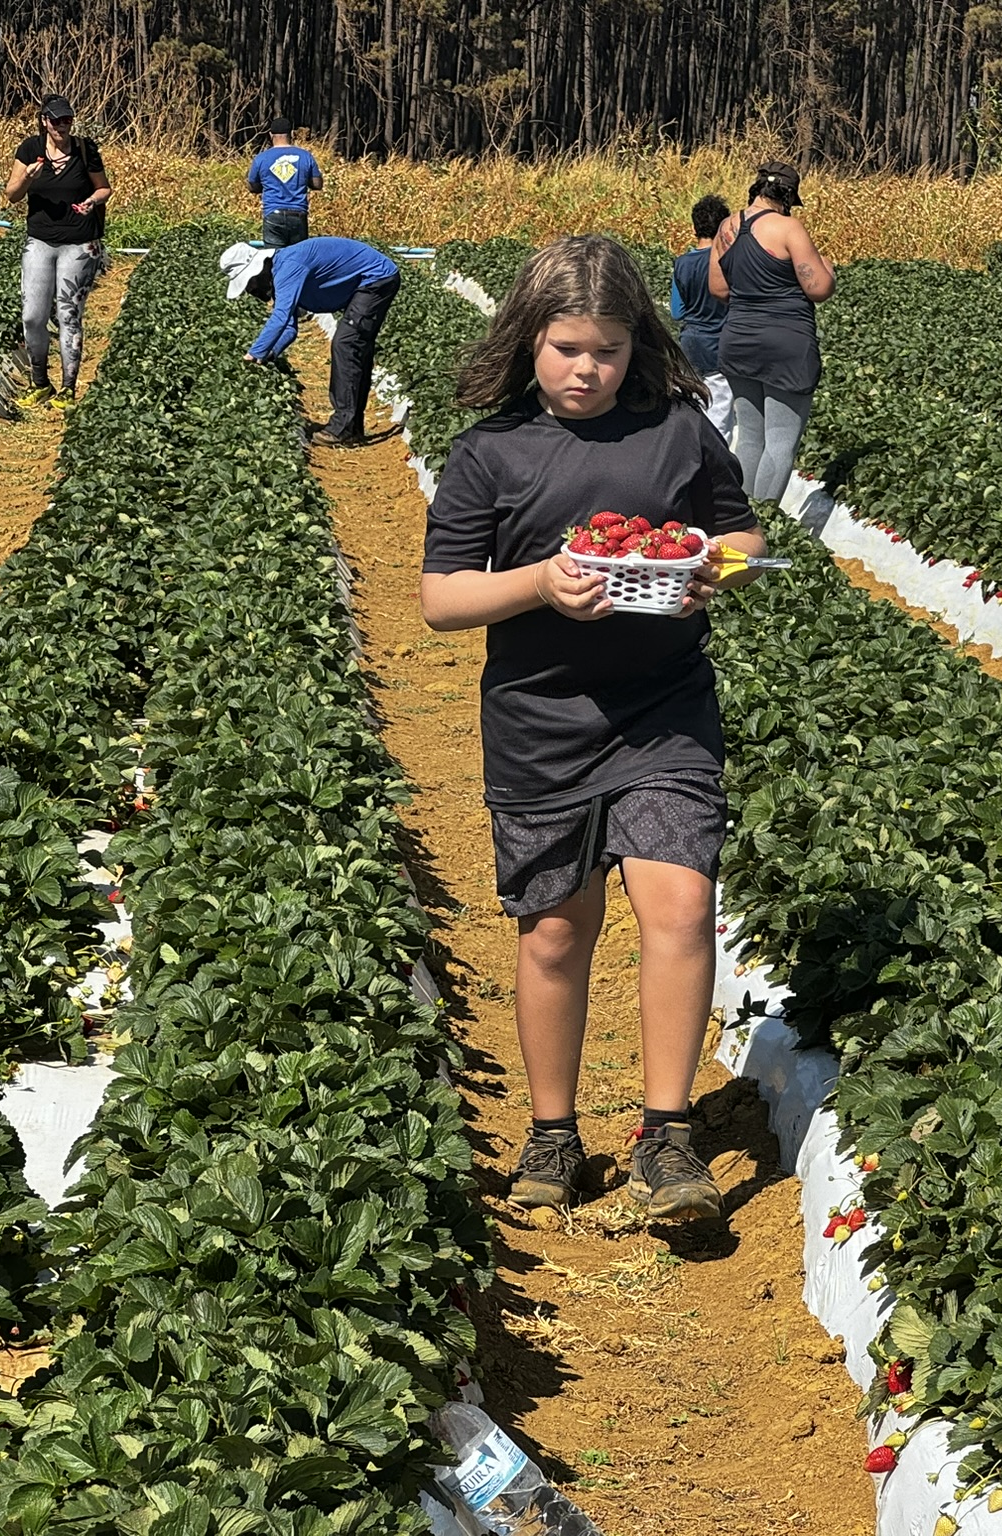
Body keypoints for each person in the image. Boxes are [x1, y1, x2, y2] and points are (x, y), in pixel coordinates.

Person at [420, 235, 770, 1224]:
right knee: (553, 935)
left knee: (678, 904)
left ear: (636, 345)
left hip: (664, 711)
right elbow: (441, 599)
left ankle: (665, 1136)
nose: (587, 369)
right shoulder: (491, 454)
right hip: (540, 722)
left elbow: (741, 533)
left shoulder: (676, 432)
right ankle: (551, 1134)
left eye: (607, 349)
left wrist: (710, 562)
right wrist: (538, 583)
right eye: (567, 347)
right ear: (528, 341)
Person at [707, 161, 835, 501]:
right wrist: (829, 271)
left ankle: (742, 520)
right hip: (786, 343)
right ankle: (765, 523)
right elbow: (818, 288)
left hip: (738, 340)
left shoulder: (727, 227)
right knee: (780, 441)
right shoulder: (788, 228)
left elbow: (718, 290)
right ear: (789, 195)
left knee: (750, 436)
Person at [221, 235, 400, 445]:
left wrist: (254, 353)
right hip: (366, 282)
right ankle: (352, 427)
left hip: (375, 280)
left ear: (259, 269)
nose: (252, 290)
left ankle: (344, 428)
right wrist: (270, 354)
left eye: (250, 284)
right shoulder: (281, 272)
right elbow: (289, 326)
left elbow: (280, 318)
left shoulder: (288, 267)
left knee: (347, 344)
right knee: (354, 347)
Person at [5, 95, 109, 410]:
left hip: (79, 243)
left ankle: (68, 388)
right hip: (40, 240)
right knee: (33, 317)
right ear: (44, 121)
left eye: (67, 120)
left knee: (68, 314)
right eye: (56, 120)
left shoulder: (84, 149)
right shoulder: (30, 151)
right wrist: (27, 178)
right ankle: (40, 383)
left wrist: (92, 201)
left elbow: (104, 188)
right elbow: (11, 194)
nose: (62, 126)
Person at [670, 194, 732, 437]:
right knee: (720, 414)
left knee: (692, 406)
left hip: (689, 344)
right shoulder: (725, 263)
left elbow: (677, 312)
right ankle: (715, 466)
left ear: (694, 227)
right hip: (718, 343)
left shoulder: (681, 263)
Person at [246, 117, 323, 249]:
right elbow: (317, 184)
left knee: (274, 258)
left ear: (270, 135)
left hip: (272, 214)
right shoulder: (305, 156)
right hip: (298, 214)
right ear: (292, 134)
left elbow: (252, 186)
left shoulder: (261, 158)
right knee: (297, 259)